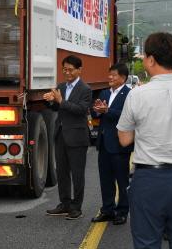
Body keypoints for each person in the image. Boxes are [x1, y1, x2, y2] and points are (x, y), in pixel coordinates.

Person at [117, 32, 172, 248]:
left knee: (146, 242)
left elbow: (124, 138)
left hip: (149, 178)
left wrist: (148, 129)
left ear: (150, 59)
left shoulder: (138, 95)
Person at [44, 55, 92, 220]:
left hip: (77, 137)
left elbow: (81, 110)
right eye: (64, 69)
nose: (67, 73)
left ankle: (76, 207)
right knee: (62, 172)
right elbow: (56, 106)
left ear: (79, 70)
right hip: (61, 135)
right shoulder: (61, 86)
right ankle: (64, 203)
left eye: (70, 70)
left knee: (77, 174)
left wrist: (61, 101)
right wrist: (50, 100)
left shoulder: (86, 89)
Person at [91, 63, 132, 225]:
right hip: (104, 143)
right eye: (109, 74)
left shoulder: (130, 94)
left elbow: (128, 115)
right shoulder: (104, 92)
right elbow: (95, 111)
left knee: (122, 181)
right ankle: (107, 209)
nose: (110, 77)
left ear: (123, 78)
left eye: (114, 75)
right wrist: (97, 110)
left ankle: (122, 211)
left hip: (120, 143)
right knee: (105, 179)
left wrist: (108, 111)